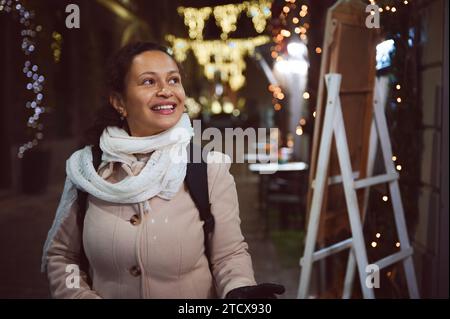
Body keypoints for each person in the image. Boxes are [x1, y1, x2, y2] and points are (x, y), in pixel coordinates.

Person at [41, 42, 284, 299]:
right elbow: (62, 256)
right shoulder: (86, 169)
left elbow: (229, 255)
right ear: (119, 101)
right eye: (148, 82)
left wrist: (239, 289)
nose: (165, 91)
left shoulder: (209, 168)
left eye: (173, 80)